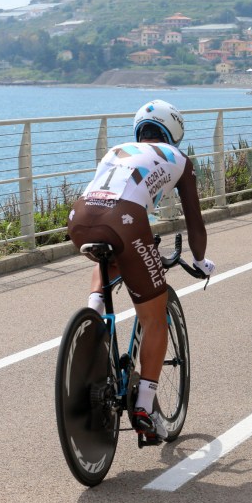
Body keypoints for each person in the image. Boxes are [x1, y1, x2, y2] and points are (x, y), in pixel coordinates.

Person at [67, 99, 216, 445]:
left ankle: (93, 318)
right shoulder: (178, 159)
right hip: (125, 221)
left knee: (110, 260)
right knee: (154, 314)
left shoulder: (117, 149)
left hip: (81, 218)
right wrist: (200, 259)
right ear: (174, 134)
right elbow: (195, 220)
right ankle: (145, 407)